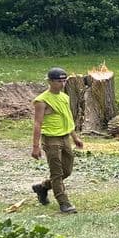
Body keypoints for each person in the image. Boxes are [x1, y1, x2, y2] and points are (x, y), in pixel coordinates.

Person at [31, 67, 83, 213]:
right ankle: (64, 203)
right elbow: (37, 123)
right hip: (51, 139)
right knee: (57, 173)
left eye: (64, 81)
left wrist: (75, 137)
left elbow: (67, 118)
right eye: (59, 81)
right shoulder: (41, 101)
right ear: (50, 81)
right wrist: (36, 146)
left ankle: (42, 187)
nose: (62, 84)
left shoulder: (64, 97)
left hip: (65, 137)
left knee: (67, 170)